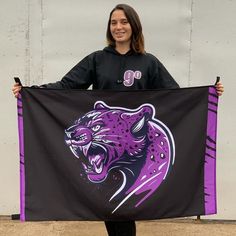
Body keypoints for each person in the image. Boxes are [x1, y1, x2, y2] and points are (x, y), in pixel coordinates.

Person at [12, 3, 224, 236]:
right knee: (112, 211)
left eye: (123, 22)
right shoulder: (97, 60)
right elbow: (66, 86)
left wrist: (209, 95)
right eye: (113, 22)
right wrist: (30, 92)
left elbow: (175, 97)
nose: (118, 27)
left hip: (134, 152)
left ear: (133, 26)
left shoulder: (148, 62)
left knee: (123, 213)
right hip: (105, 154)